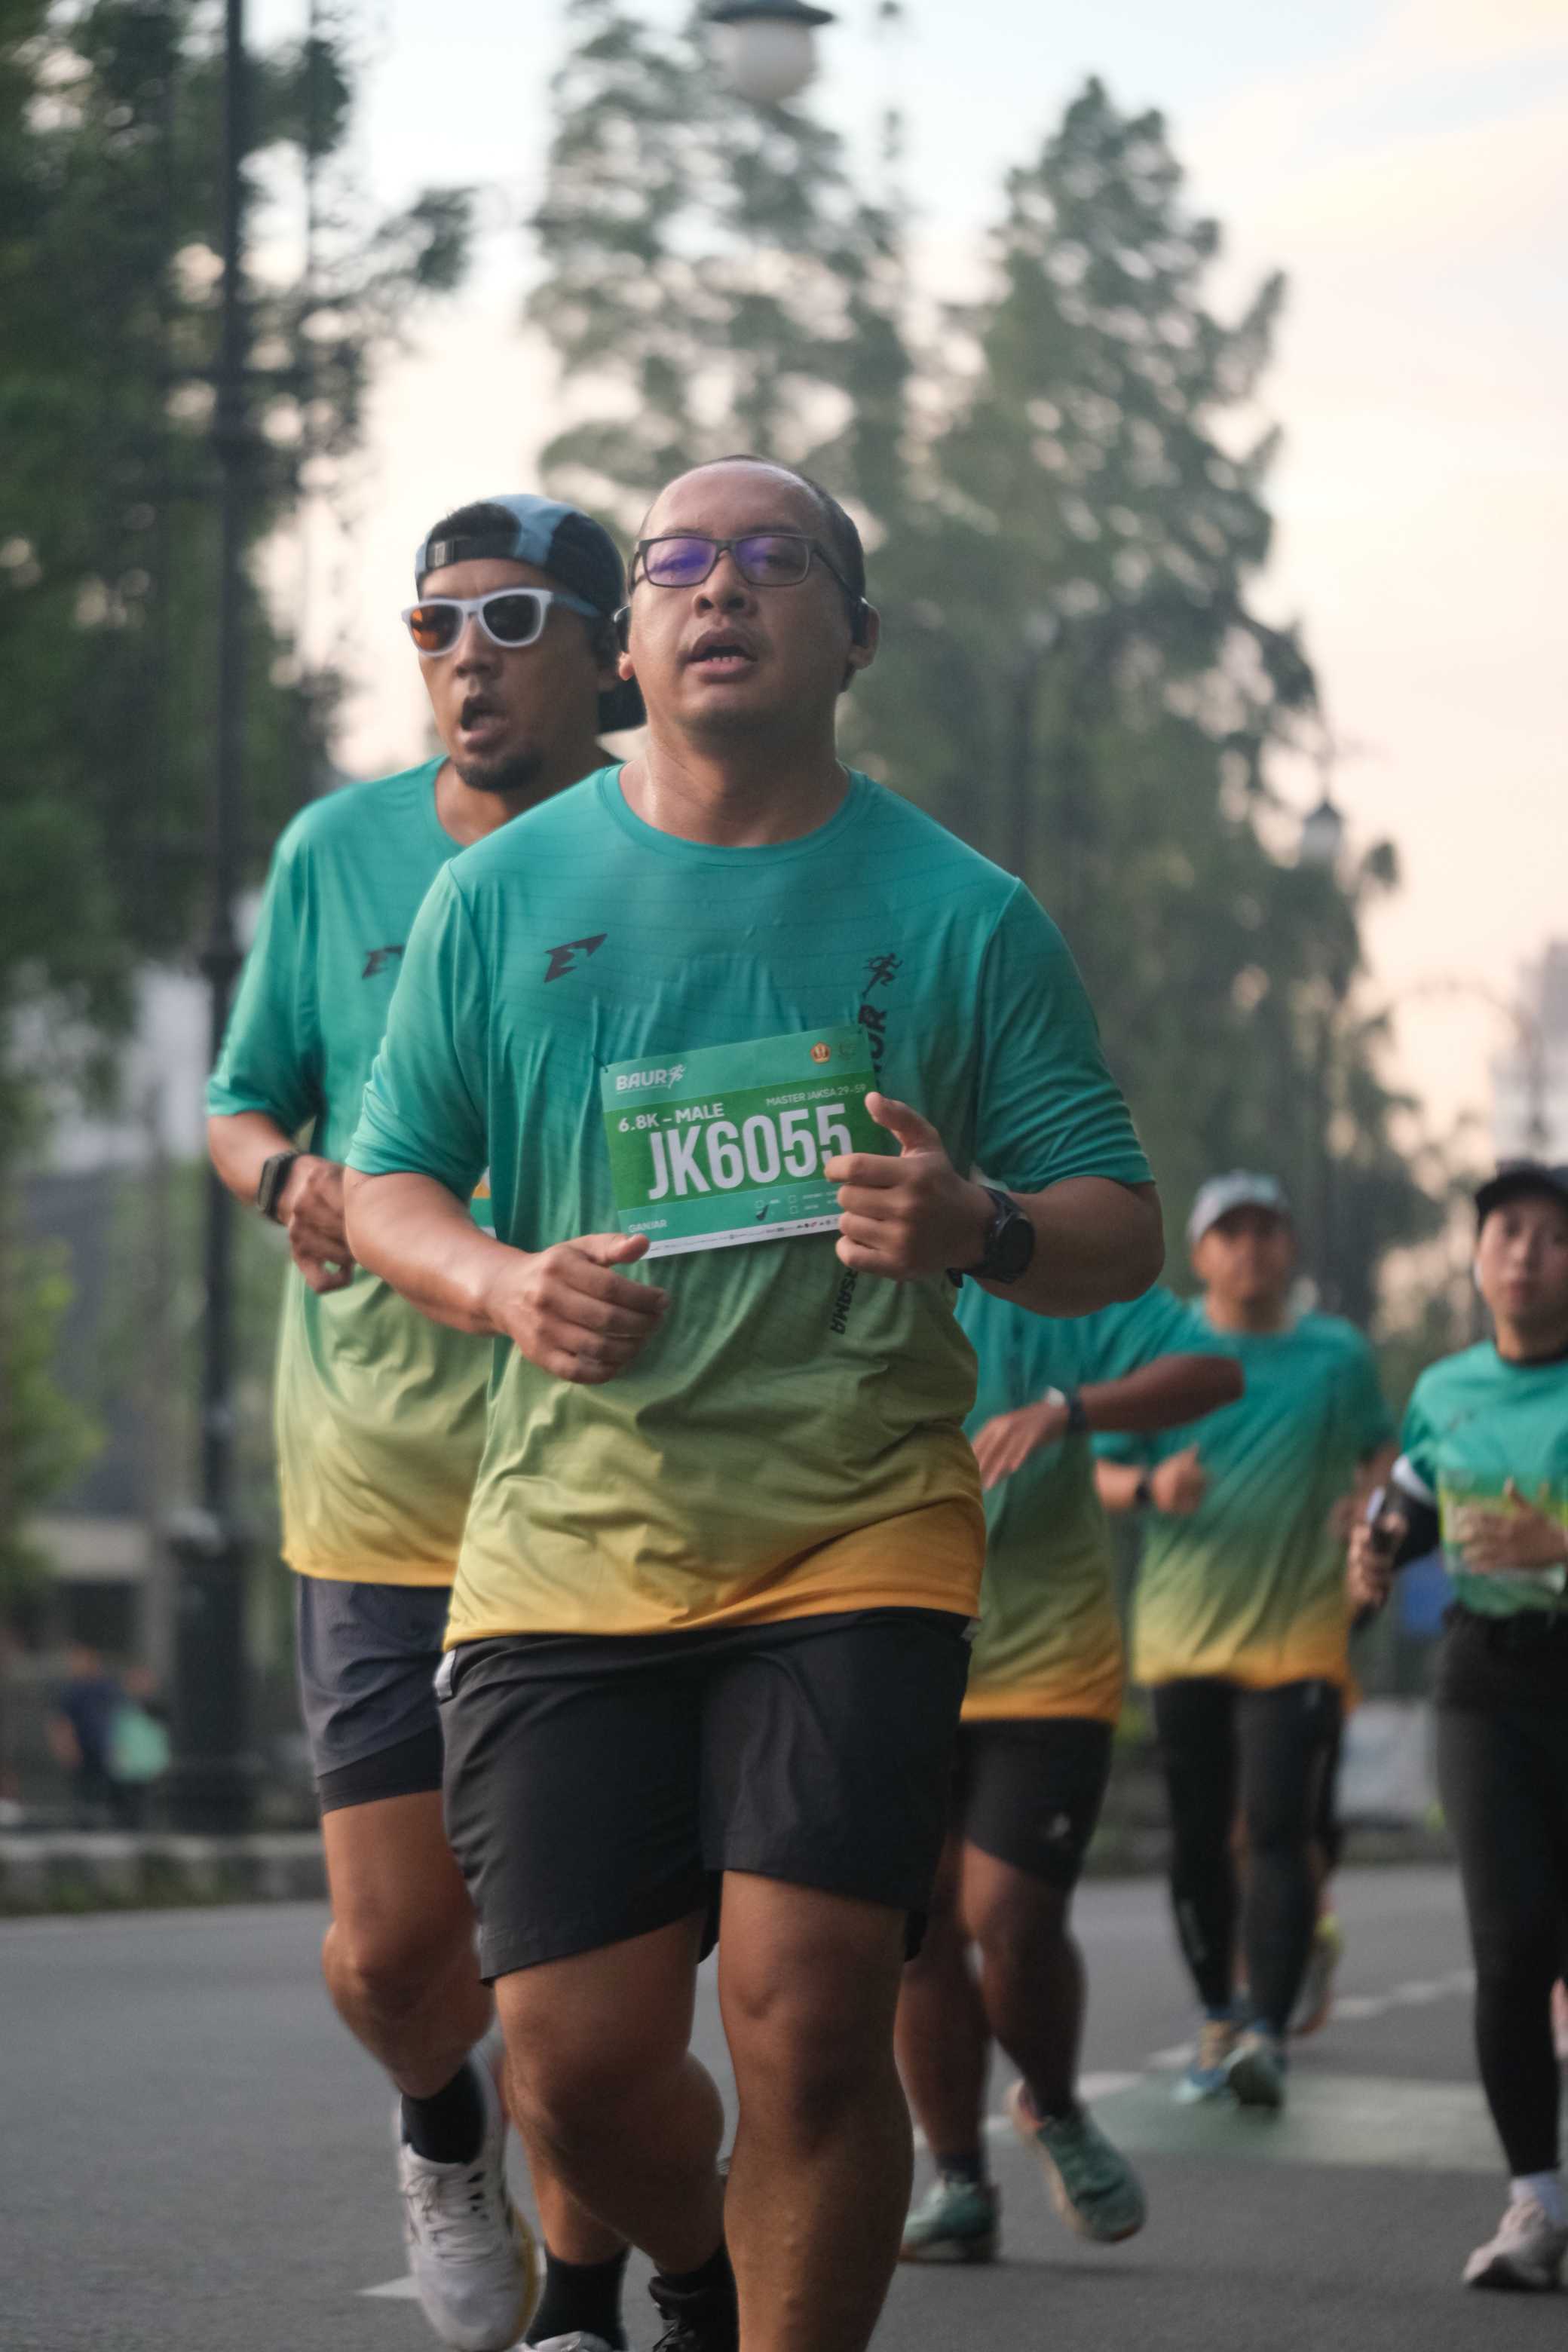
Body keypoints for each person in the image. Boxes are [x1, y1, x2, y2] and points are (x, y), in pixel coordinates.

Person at [341, 453, 1163, 2352]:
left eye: (775, 559)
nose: (721, 587)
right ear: (627, 643)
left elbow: (1115, 1226)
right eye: (680, 562)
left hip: (853, 1526)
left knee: (806, 2014)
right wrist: (502, 1281)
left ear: (852, 635)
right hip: (567, 1538)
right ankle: (706, 2277)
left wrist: (981, 1221)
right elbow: (390, 1186)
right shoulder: (497, 895)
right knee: (572, 2064)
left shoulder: (965, 912)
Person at [207, 494, 639, 2352]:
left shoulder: (664, 851)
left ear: (609, 652)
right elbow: (238, 1100)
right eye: (437, 622)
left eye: (516, 619)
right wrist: (287, 1173)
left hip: (600, 1476)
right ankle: (441, 2124)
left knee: (566, 1968)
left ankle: (588, 2300)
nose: (469, 654)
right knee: (397, 1957)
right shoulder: (337, 853)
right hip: (377, 1474)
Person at [897, 1282, 1241, 2263]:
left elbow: (1213, 1372)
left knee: (1009, 1915)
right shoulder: (843, 1260)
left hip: (1047, 1660)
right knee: (917, 1932)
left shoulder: (1043, 1266)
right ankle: (960, 2183)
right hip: (895, 1651)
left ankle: (1053, 2106)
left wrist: (1067, 1410)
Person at [1095, 1172, 1394, 2109]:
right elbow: (1102, 1469)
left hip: (1298, 1634)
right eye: (1231, 1232)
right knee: (1197, 1839)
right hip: (1180, 1636)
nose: (1250, 1247)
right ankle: (1218, 2016)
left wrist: (1367, 1508)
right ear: (1199, 1253)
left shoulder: (1336, 1355)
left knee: (1273, 1827)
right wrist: (1154, 1489)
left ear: (1289, 1247)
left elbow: (1380, 1456)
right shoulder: (1159, 1343)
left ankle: (1265, 2032)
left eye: (1267, 1230)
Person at [1349, 1159, 1568, 2292]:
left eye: (1552, 1236)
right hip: (1485, 1678)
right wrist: (1376, 1549)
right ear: (1479, 1257)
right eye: (1506, 1232)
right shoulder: (1445, 1389)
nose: (1526, 1253)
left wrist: (1560, 1543)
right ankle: (1538, 2202)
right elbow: (1412, 1503)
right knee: (1512, 1944)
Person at [46, 1643, 132, 1827]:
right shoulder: (71, 1691)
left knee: (112, 1791)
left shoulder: (107, 1688)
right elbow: (61, 1721)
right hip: (83, 1748)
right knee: (84, 1792)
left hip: (106, 1747)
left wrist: (123, 1744)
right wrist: (65, 1746)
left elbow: (122, 1716)